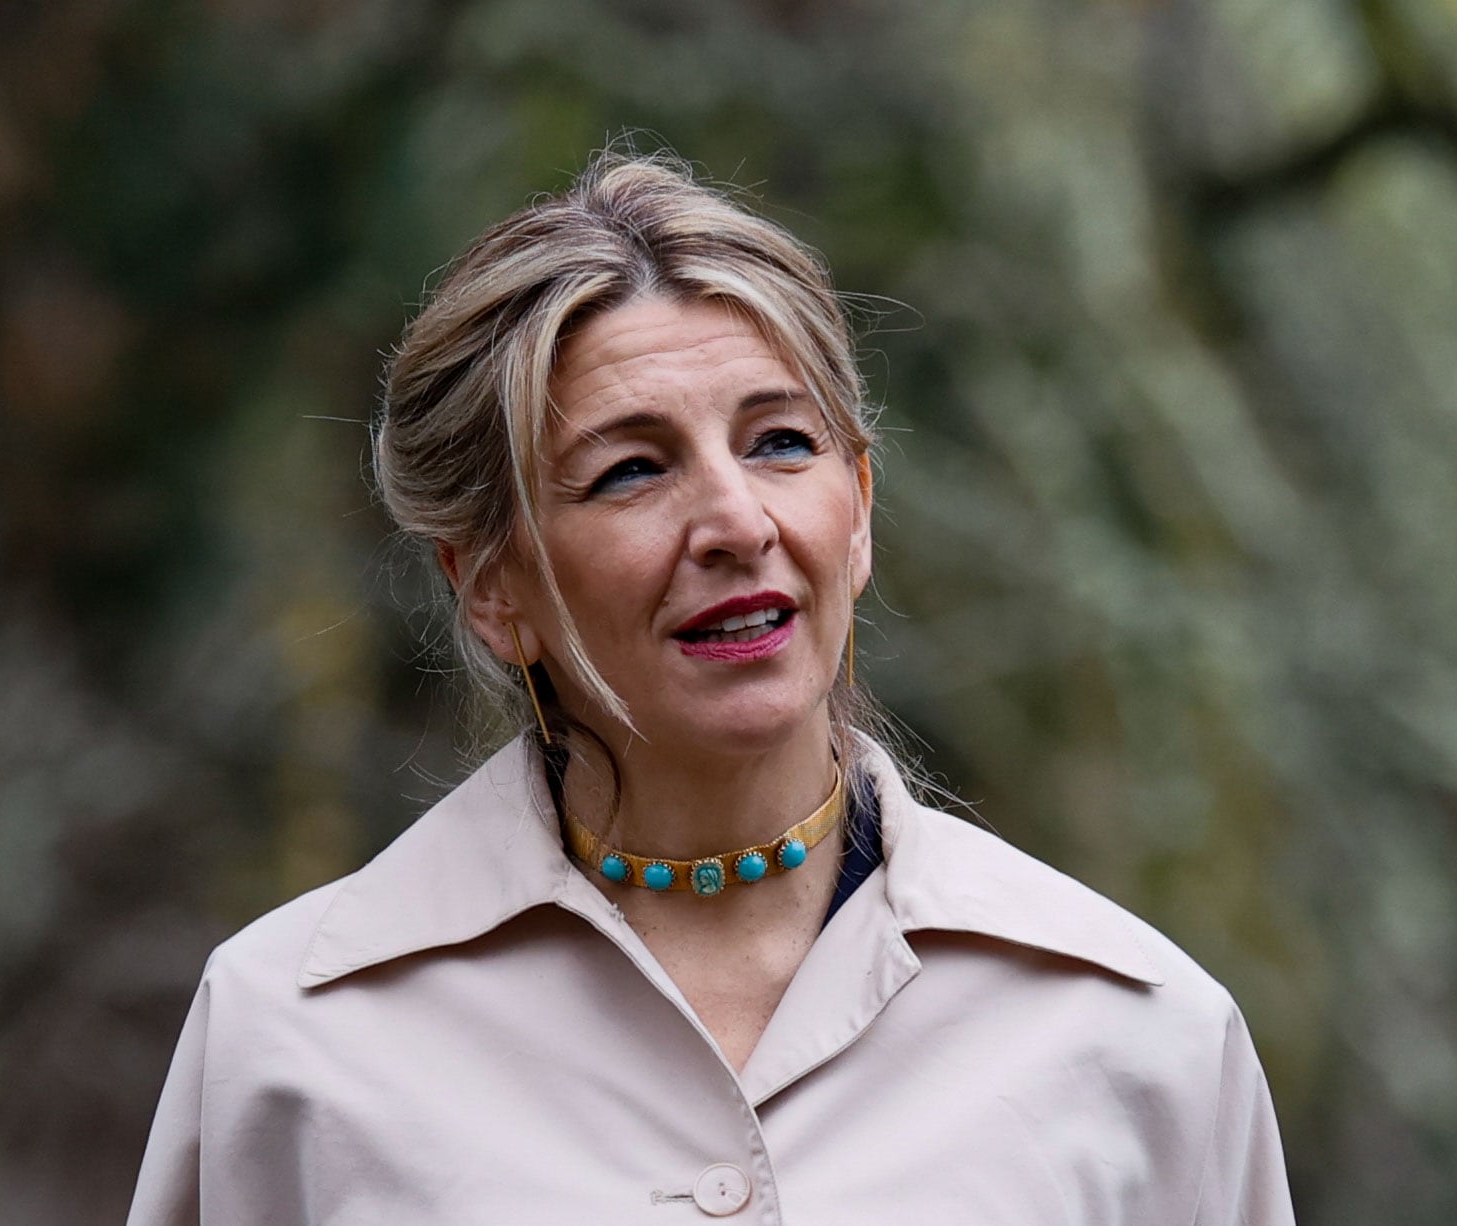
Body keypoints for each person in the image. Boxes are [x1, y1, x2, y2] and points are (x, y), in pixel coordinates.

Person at [127, 149, 1296, 1225]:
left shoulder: (1139, 1033)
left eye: (781, 442)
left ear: (861, 510)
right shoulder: (288, 1043)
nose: (737, 522)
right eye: (631, 469)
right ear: (492, 583)